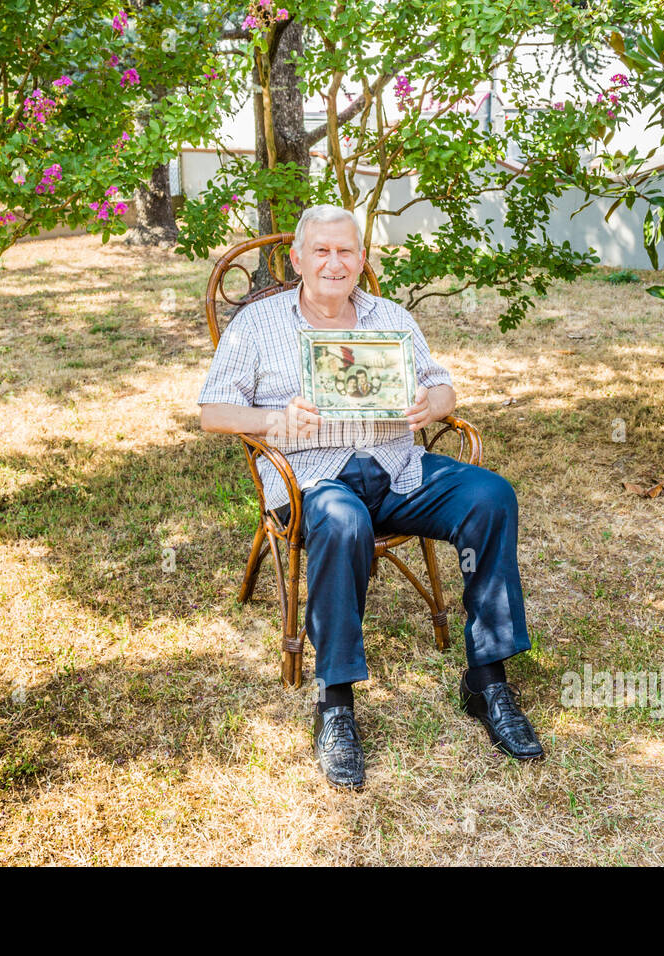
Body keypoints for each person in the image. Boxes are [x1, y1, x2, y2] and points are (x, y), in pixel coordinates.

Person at [198, 204, 545, 790]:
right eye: (322, 251)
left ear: (362, 259)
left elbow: (442, 385)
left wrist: (433, 406)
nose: (335, 263)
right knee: (341, 521)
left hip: (399, 469)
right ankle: (335, 703)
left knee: (491, 495)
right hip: (313, 478)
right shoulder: (258, 325)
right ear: (298, 259)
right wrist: (274, 419)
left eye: (347, 251)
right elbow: (211, 412)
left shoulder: (390, 317)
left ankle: (487, 681)